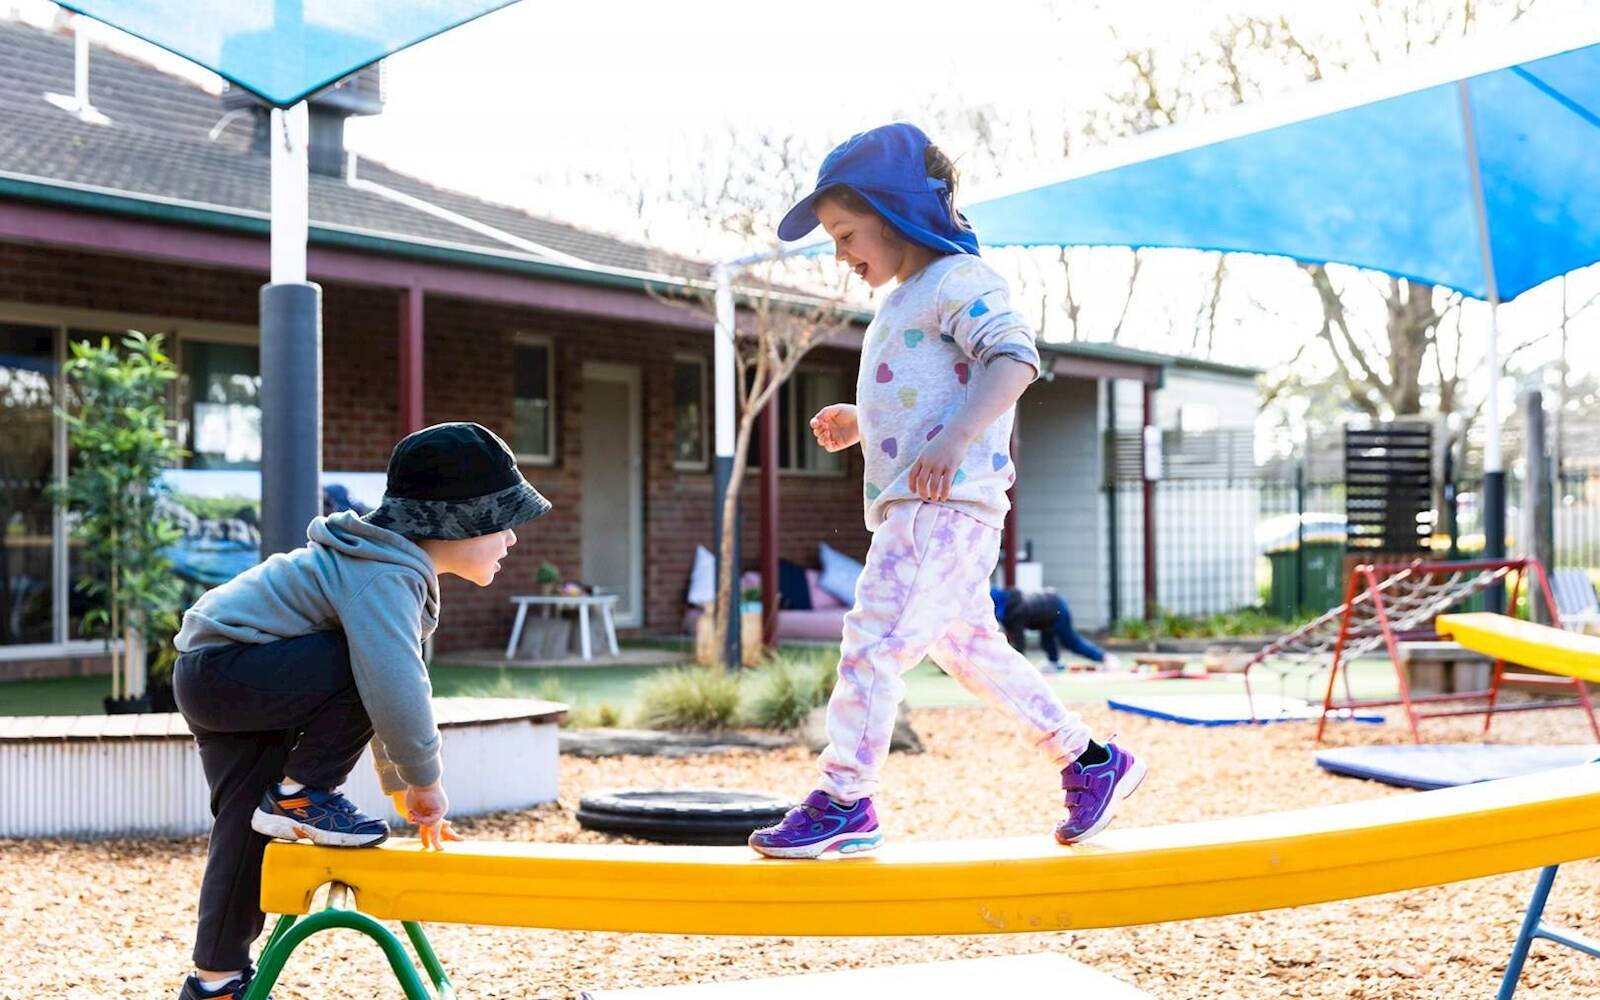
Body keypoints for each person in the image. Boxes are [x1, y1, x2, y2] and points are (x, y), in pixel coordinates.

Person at [748, 123, 1145, 861]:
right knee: (971, 651)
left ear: (895, 212)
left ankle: (846, 799)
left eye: (845, 233)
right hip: (928, 505)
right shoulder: (905, 297)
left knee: (871, 641)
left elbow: (1013, 360)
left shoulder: (960, 280)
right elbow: (929, 396)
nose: (839, 253)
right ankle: (1091, 760)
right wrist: (864, 421)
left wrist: (956, 439)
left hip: (942, 506)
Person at [169, 422, 550, 999]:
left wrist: (398, 785)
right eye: (503, 522)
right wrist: (425, 782)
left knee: (249, 824)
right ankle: (303, 794)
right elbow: (392, 685)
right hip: (233, 670)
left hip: (222, 674)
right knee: (371, 667)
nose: (512, 540)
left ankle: (215, 980)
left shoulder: (377, 564)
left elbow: (373, 689)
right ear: (456, 520)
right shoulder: (384, 575)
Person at [991, 586, 1124, 672]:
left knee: (1071, 641)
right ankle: (1054, 662)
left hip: (1056, 607)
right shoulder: (1008, 603)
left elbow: (1019, 643)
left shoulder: (1014, 612)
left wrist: (1017, 668)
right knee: (1047, 639)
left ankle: (1105, 658)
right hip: (1047, 610)